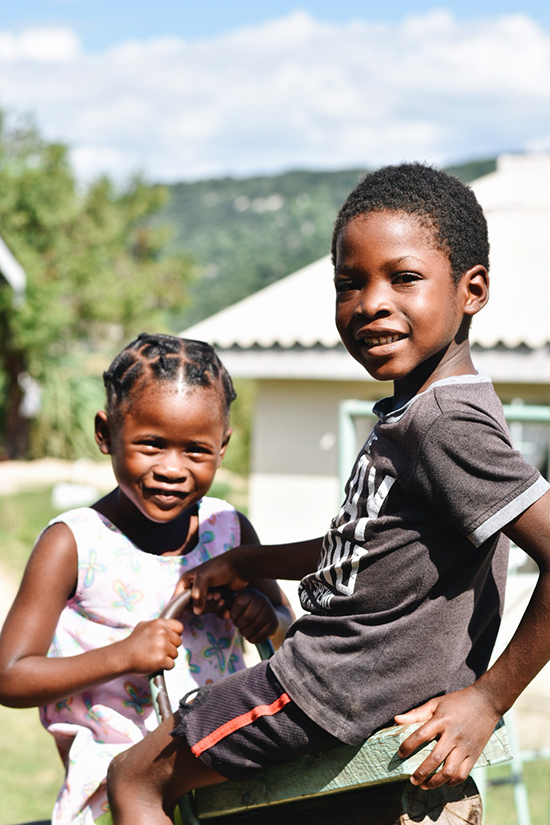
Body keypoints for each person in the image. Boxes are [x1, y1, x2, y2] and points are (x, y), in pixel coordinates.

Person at [106, 164, 550, 825]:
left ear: (473, 289)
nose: (370, 301)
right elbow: (362, 548)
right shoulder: (422, 412)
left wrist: (488, 700)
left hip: (330, 687)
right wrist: (249, 563)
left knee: (134, 777)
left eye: (403, 277)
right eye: (350, 282)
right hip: (350, 686)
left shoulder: (443, 423)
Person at [0, 333, 292, 825]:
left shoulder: (230, 530)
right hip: (119, 785)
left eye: (196, 451)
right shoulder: (74, 543)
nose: (172, 469)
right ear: (105, 432)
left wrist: (264, 617)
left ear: (222, 446)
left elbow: (286, 629)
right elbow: (10, 675)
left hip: (219, 764)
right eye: (151, 445)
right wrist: (123, 656)